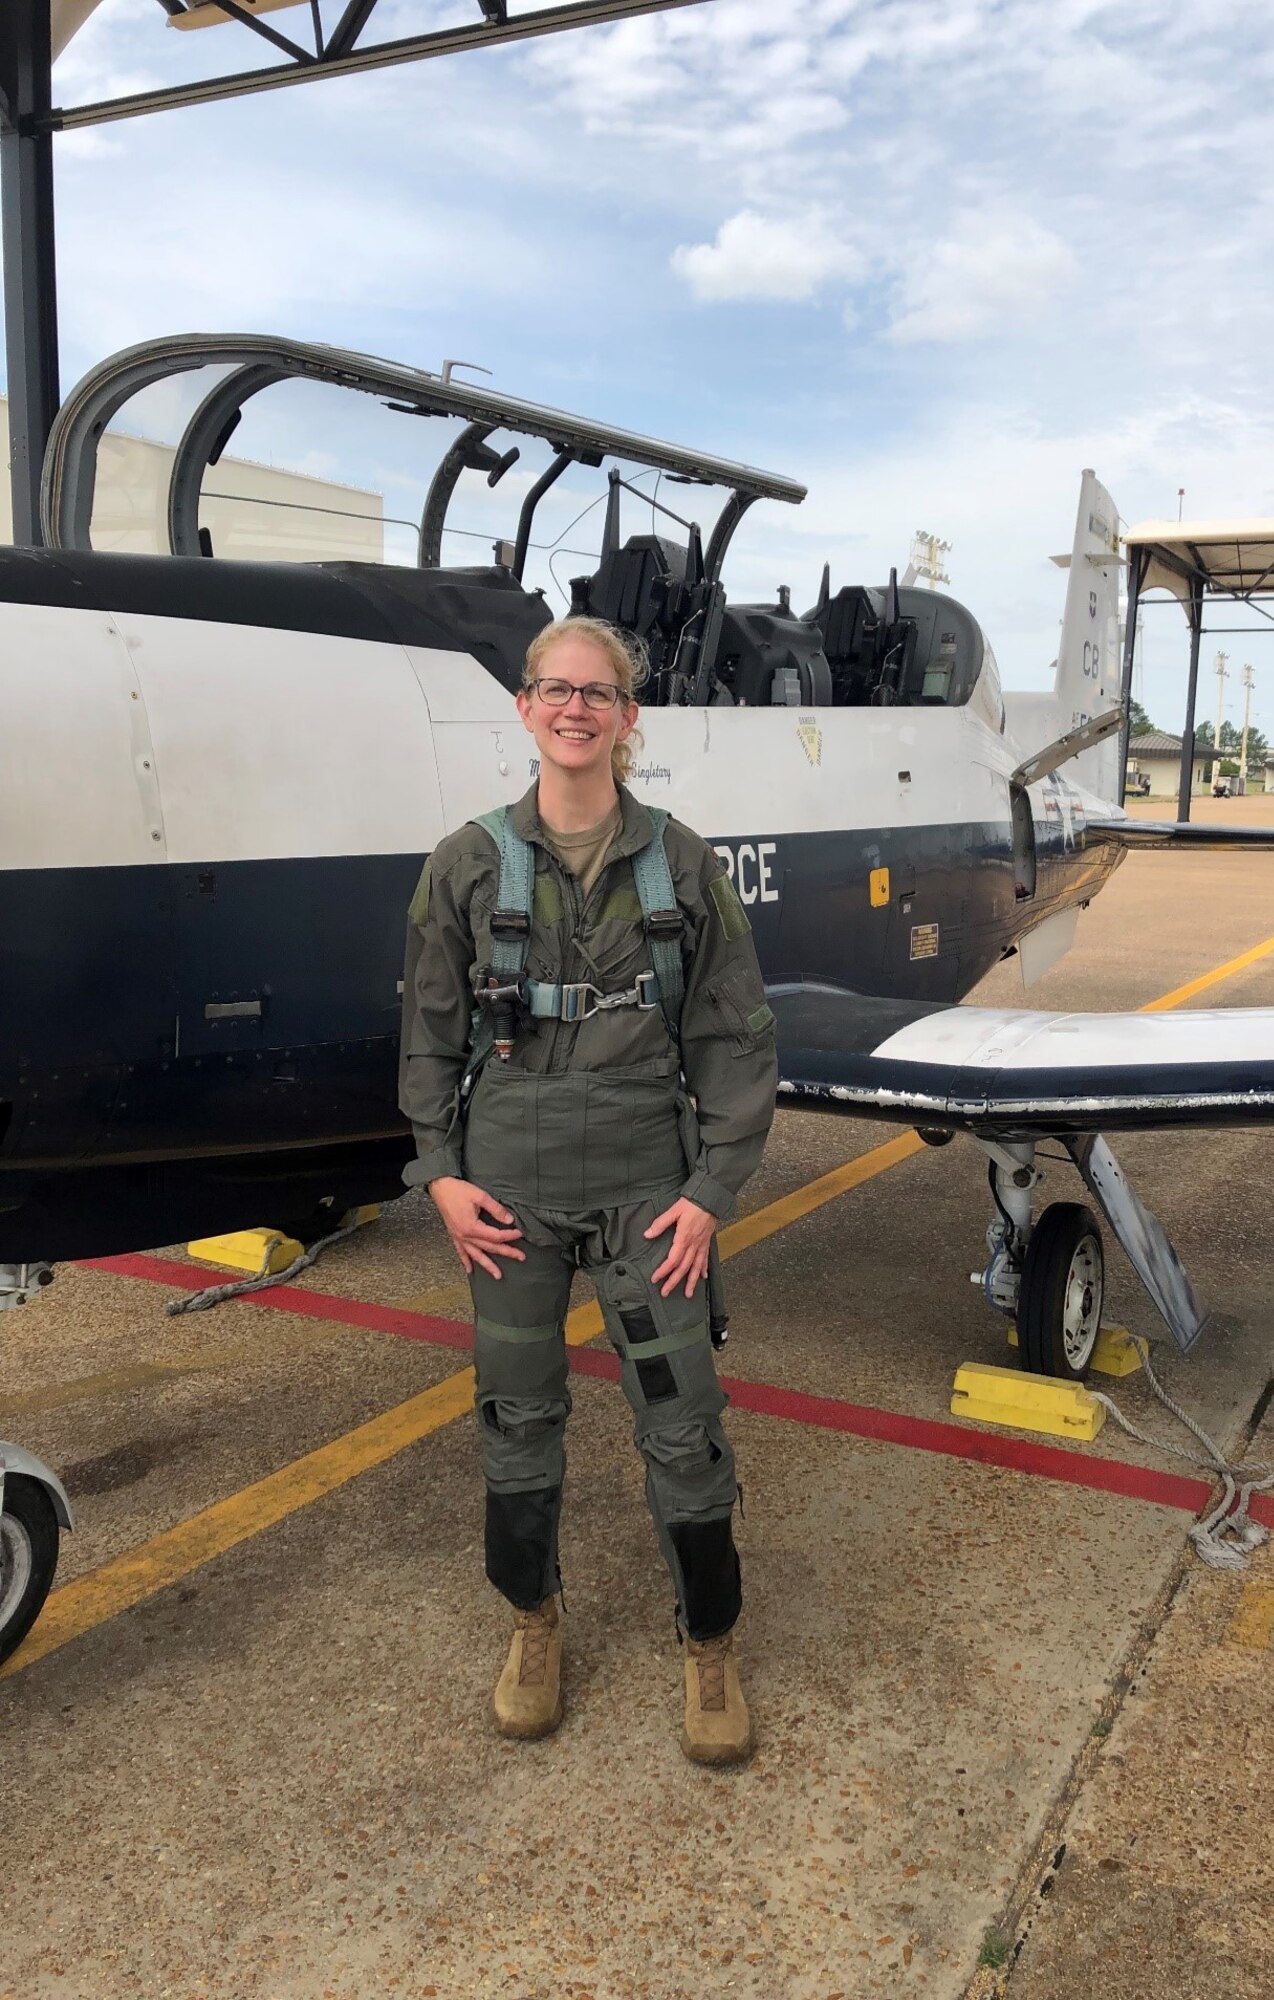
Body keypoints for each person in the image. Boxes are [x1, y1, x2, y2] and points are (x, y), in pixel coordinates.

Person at [399, 615, 777, 1765]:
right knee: (518, 1420)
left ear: (627, 715)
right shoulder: (466, 864)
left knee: (683, 1423)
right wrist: (440, 1175)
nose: (574, 709)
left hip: (643, 1193)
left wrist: (713, 1187)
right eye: (554, 689)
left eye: (597, 692)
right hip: (507, 1191)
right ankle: (533, 1622)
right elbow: (427, 1031)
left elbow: (733, 1033)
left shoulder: (682, 863)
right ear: (524, 708)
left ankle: (709, 1643)